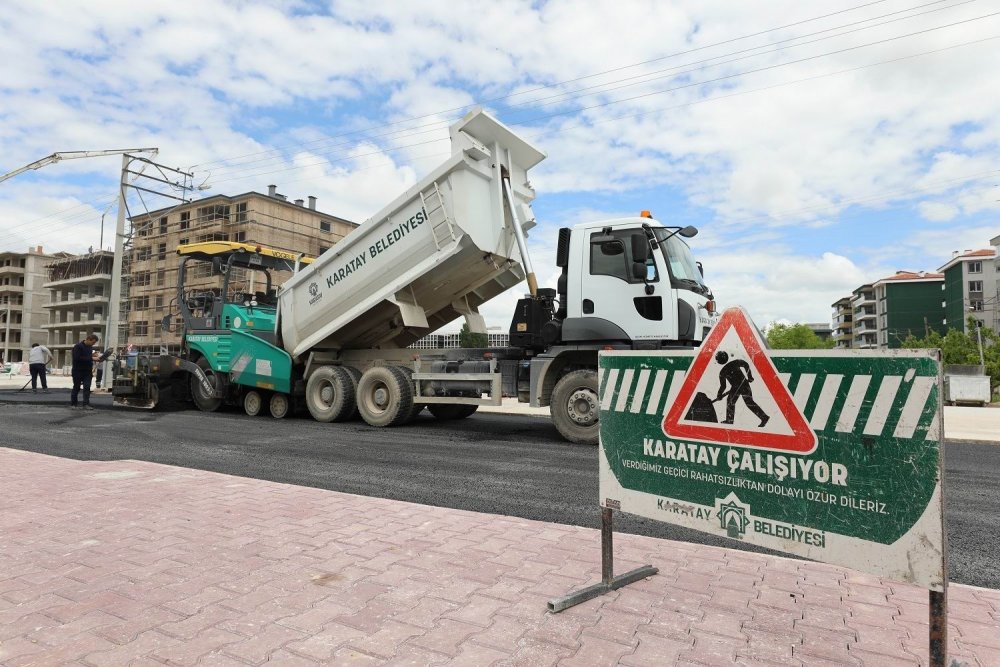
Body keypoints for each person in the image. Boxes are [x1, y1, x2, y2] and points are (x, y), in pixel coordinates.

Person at [714, 350, 769, 427]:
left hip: (740, 385)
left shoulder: (722, 371)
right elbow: (745, 364)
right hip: (740, 385)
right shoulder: (733, 364)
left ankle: (730, 420)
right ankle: (764, 417)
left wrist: (719, 394)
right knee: (745, 402)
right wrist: (749, 376)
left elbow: (723, 386)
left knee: (733, 402)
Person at [71, 334, 99, 410]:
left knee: (87, 387)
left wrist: (93, 356)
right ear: (88, 339)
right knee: (76, 387)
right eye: (93, 342)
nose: (93, 344)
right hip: (77, 370)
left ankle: (86, 404)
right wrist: (92, 358)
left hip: (87, 371)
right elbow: (77, 358)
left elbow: (87, 357)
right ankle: (73, 404)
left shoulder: (90, 347)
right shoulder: (78, 346)